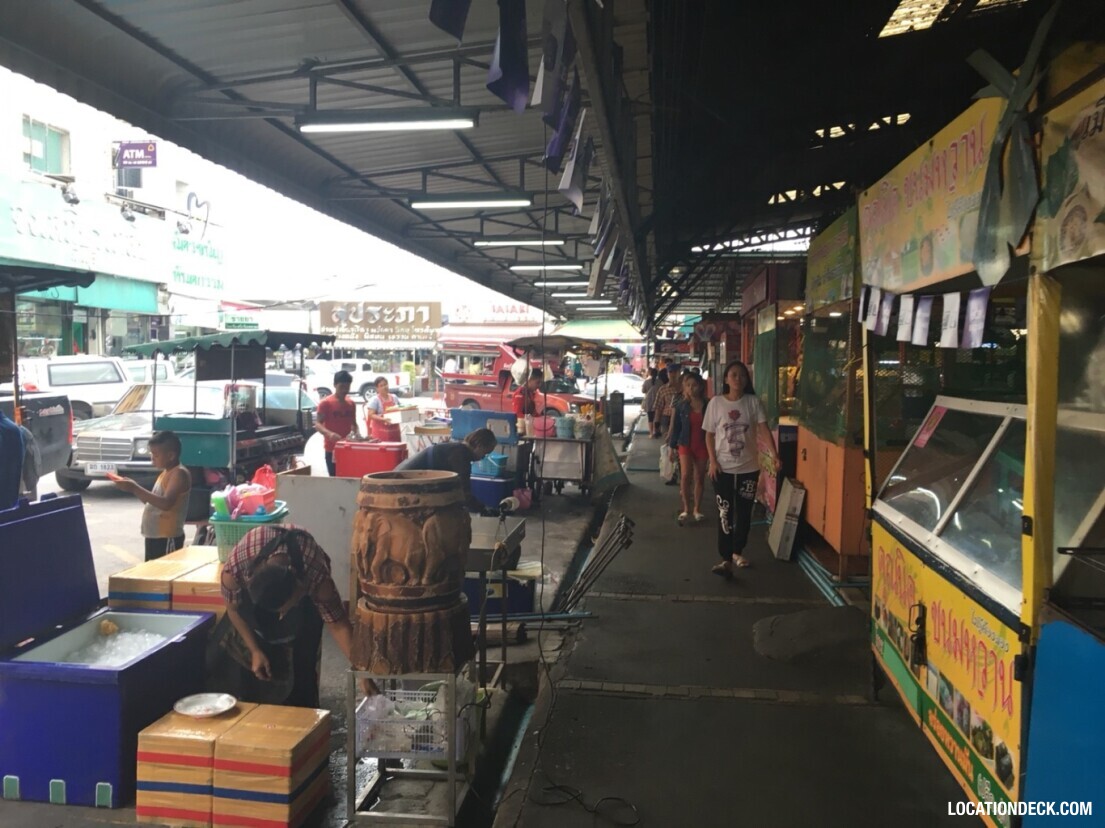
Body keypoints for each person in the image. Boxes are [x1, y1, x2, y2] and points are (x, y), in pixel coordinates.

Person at [215, 525, 354, 707]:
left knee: (304, 668)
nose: (282, 615)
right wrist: (255, 650)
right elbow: (233, 609)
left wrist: (360, 670)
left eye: (286, 608)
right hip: (258, 617)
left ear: (299, 586)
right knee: (248, 671)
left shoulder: (316, 575)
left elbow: (338, 624)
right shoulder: (236, 569)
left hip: (305, 606)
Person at [703, 360, 781, 579]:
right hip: (722, 468)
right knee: (724, 512)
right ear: (726, 379)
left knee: (744, 512)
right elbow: (708, 434)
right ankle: (726, 558)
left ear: (747, 380)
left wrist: (775, 456)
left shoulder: (753, 403)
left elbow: (764, 430)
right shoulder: (716, 403)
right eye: (734, 375)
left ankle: (738, 551)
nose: (738, 379)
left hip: (748, 467)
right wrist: (713, 460)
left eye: (742, 376)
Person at [112, 430, 192, 561]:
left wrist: (135, 487)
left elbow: (166, 503)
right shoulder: (166, 473)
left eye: (156, 455)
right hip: (154, 535)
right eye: (151, 454)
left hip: (167, 536)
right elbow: (153, 502)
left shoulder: (179, 474)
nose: (152, 458)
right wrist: (132, 488)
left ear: (171, 456)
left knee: (163, 575)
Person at [395, 428, 499, 512]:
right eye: (485, 453)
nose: (484, 457)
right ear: (479, 446)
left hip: (403, 474)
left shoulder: (457, 449)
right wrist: (482, 509)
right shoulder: (461, 455)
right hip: (403, 481)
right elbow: (463, 490)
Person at [669, 372, 709, 525]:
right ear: (684, 388)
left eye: (694, 385)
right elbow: (677, 428)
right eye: (688, 385)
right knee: (685, 475)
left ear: (700, 386)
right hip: (685, 443)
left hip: (703, 444)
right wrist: (671, 448)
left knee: (699, 476)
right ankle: (686, 508)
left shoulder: (708, 405)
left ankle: (697, 509)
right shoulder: (681, 406)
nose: (691, 388)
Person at [315, 370, 360, 476]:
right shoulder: (326, 403)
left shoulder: (351, 403)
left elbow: (354, 423)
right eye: (342, 386)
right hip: (332, 449)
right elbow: (318, 424)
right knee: (335, 478)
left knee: (350, 477)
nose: (345, 389)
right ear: (335, 385)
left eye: (347, 386)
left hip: (348, 448)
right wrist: (329, 434)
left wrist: (357, 435)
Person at [642, 367, 659, 437]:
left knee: (650, 418)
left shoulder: (646, 381)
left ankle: (651, 433)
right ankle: (655, 431)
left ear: (650, 374)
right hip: (658, 401)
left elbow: (643, 391)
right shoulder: (660, 382)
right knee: (656, 417)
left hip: (649, 401)